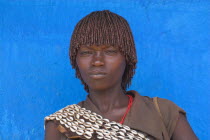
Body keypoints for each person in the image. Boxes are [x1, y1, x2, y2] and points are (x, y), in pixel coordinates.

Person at [44, 10, 198, 140]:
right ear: (75, 61)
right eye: (86, 52)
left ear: (128, 58)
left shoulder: (164, 113)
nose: (97, 61)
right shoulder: (61, 124)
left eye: (110, 51)